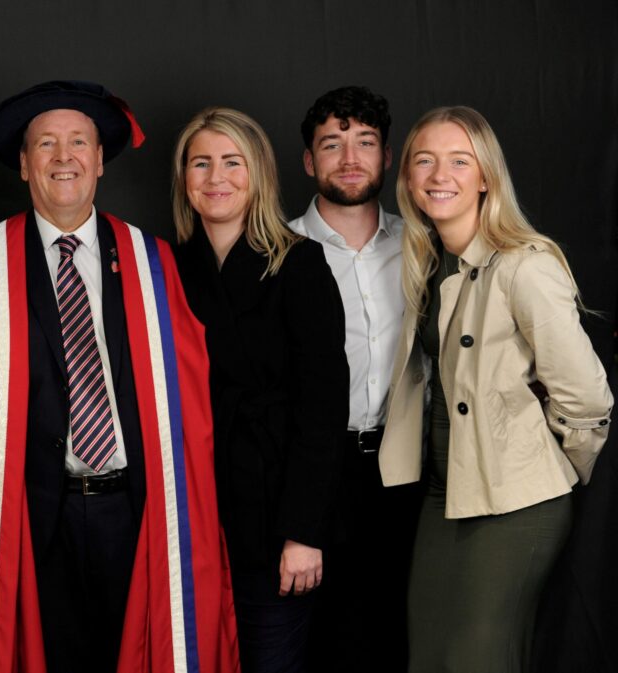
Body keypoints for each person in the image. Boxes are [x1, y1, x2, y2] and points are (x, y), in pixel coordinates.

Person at [0, 81, 239, 673]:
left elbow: (192, 395)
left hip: (132, 509)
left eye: (79, 142)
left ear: (100, 160)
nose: (63, 156)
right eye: (45, 144)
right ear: (24, 165)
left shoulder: (153, 259)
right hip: (36, 515)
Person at [380, 106, 612, 673]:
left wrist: (547, 470)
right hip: (446, 490)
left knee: (478, 660)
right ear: (407, 177)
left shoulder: (523, 266)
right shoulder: (425, 262)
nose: (440, 175)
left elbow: (588, 398)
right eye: (424, 161)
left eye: (460, 161)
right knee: (429, 656)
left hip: (515, 499)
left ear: (485, 176)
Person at [171, 107, 349, 673]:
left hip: (275, 519)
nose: (215, 177)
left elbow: (323, 409)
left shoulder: (300, 265)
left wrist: (302, 532)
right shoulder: (167, 268)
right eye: (201, 163)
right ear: (184, 178)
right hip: (196, 514)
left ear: (259, 175)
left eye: (232, 162)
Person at [287, 85, 420, 673]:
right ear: (309, 161)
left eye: (364, 143)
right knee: (325, 641)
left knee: (400, 631)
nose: (349, 158)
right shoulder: (280, 250)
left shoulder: (424, 245)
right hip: (318, 468)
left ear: (387, 156)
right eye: (332, 145)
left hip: (407, 466)